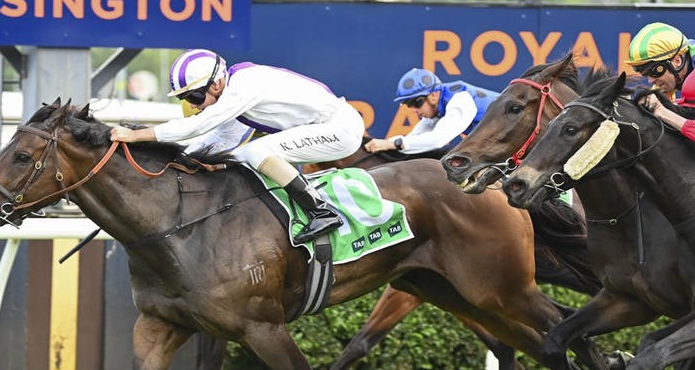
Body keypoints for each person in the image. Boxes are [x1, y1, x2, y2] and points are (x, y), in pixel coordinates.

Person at [109, 48, 365, 243]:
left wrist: (136, 136)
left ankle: (321, 212)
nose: (194, 105)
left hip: (340, 129)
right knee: (240, 155)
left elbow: (199, 126)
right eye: (185, 99)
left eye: (195, 96)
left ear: (216, 83)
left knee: (257, 151)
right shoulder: (236, 94)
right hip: (326, 127)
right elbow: (221, 140)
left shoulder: (244, 86)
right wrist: (180, 161)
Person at [364, 68, 499, 154]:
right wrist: (385, 144)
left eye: (417, 102)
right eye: (408, 104)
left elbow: (437, 140)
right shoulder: (436, 111)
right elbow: (412, 140)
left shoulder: (460, 99)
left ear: (434, 94)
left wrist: (392, 144)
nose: (414, 110)